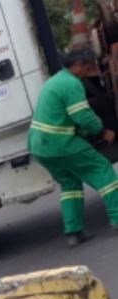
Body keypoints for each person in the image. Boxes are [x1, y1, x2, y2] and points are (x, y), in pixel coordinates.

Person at [29, 46, 118, 247]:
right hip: (59, 142)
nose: (89, 72)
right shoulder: (72, 84)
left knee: (70, 185)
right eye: (87, 68)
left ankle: (74, 232)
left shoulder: (55, 80)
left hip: (39, 146)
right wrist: (104, 131)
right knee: (102, 169)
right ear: (77, 65)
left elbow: (67, 117)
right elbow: (83, 116)